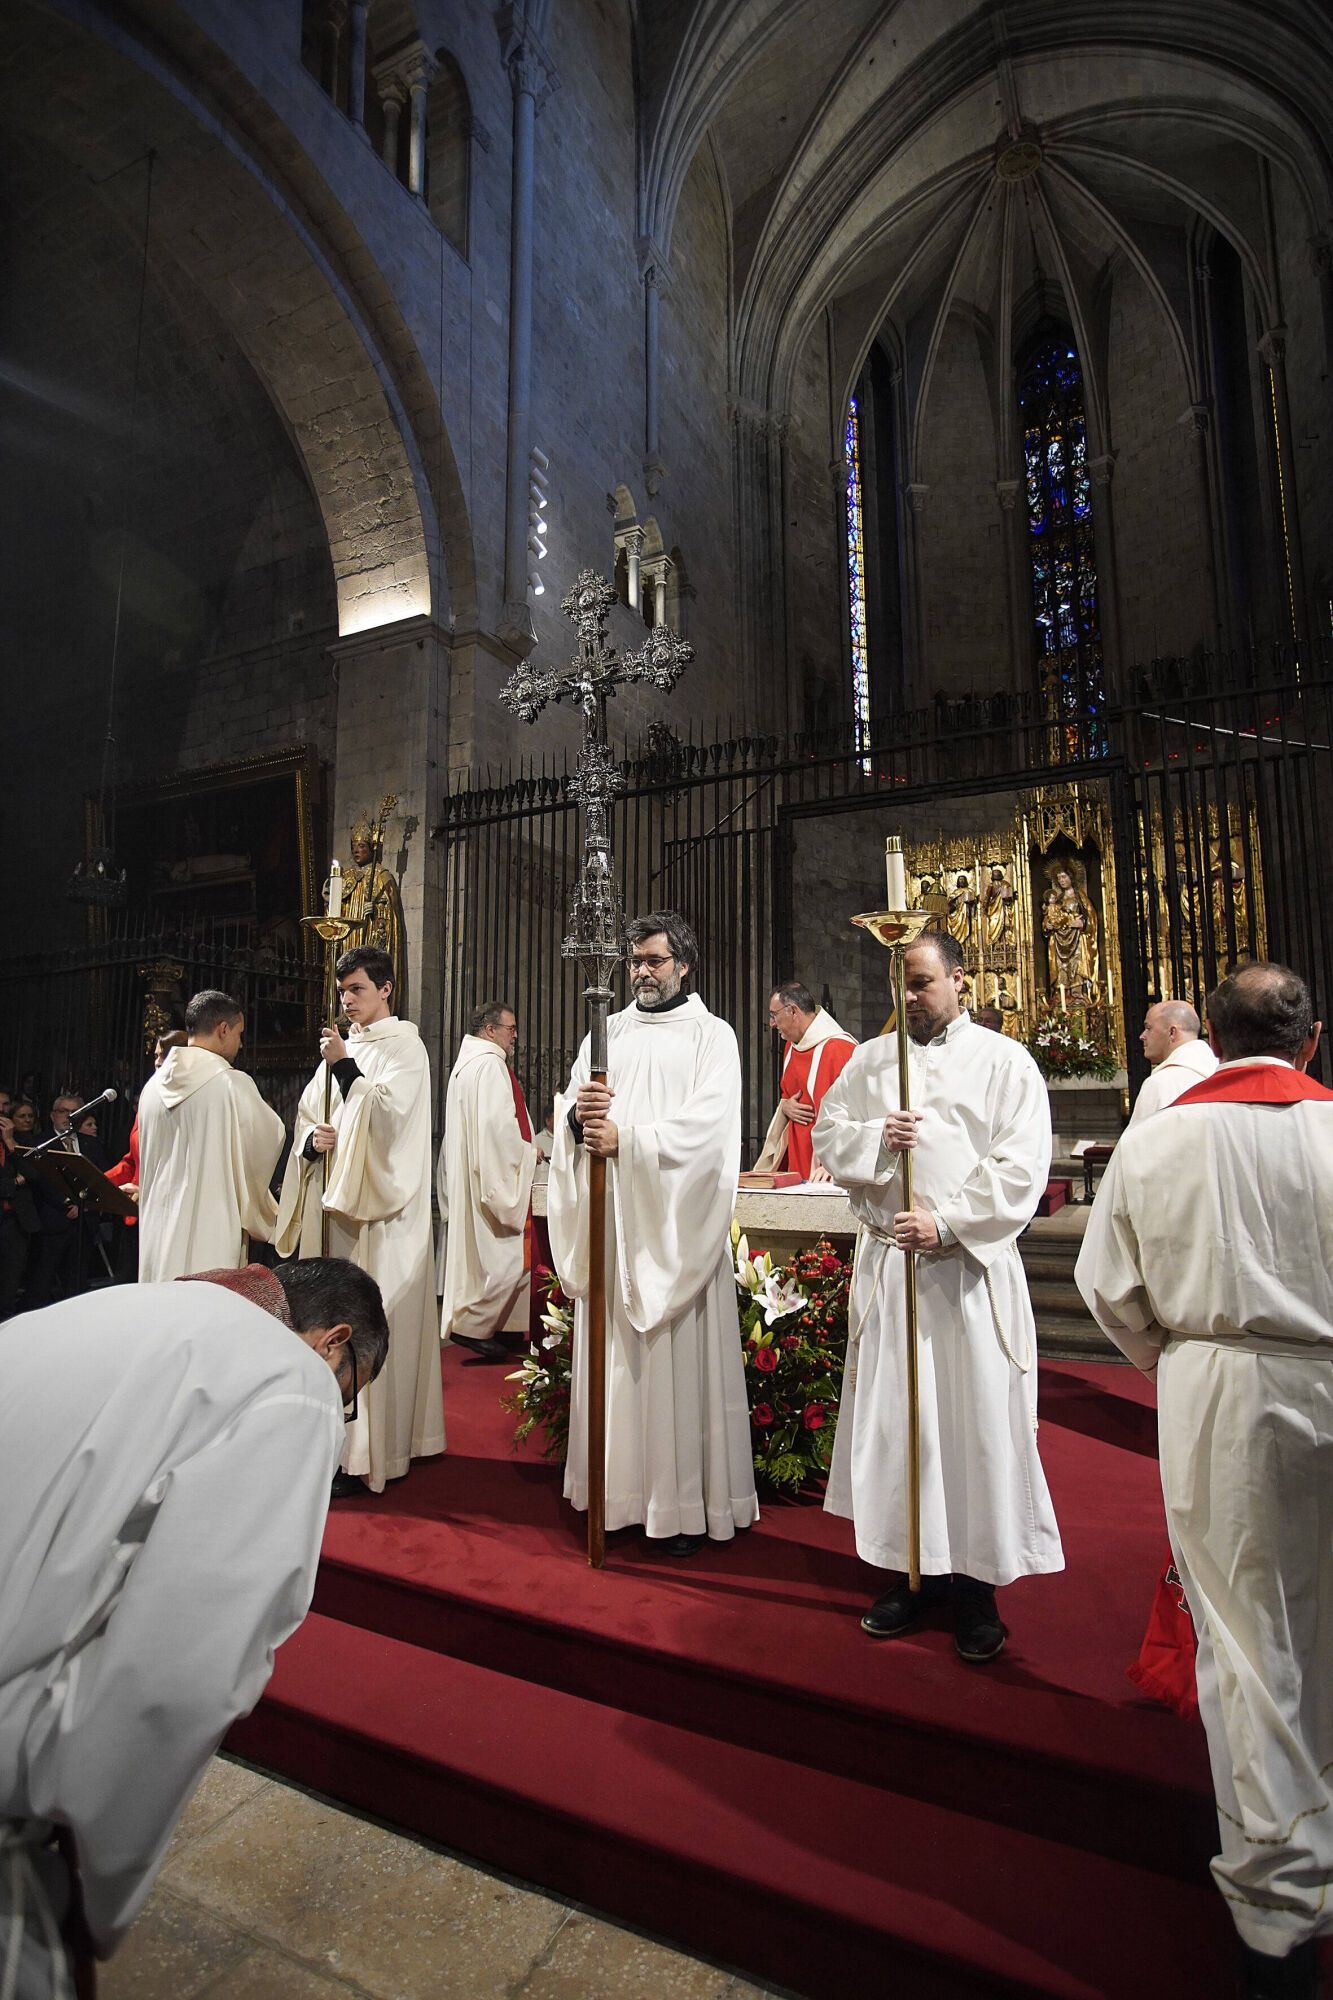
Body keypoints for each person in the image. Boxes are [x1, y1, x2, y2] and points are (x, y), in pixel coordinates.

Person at [0, 1255, 389, 2000]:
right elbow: (180, 1673)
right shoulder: (291, 1379)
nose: (338, 1415)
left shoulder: (96, 1307)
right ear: (333, 1342)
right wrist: (101, 1884)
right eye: (351, 1398)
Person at [1075, 963, 1332, 2000]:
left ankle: (1277, 1913)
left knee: (1244, 1633)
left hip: (1218, 1384)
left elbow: (1107, 1285)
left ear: (1210, 1042)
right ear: (1309, 1041)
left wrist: (1176, 1358)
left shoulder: (1160, 1136)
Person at [812, 927, 1063, 1660]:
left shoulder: (1002, 1061)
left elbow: (1020, 1165)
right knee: (903, 1423)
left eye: (921, 981)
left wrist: (948, 1223)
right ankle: (910, 1572)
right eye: (901, 984)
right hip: (893, 1272)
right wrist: (876, 1143)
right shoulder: (867, 1061)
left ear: (959, 980)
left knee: (971, 1422)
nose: (910, 997)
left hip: (965, 1275)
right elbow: (830, 1137)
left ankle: (977, 1589)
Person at [548, 911, 758, 1556]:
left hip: (672, 1232)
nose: (640, 971)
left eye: (654, 961)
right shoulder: (605, 1032)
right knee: (618, 1367)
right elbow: (572, 1105)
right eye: (634, 960)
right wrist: (575, 1121)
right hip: (615, 1230)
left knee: (676, 1371)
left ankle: (681, 1505)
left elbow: (708, 1132)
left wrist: (629, 1142)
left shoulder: (711, 1037)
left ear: (684, 964)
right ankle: (617, 1496)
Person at [276, 945, 445, 1497]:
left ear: (386, 989)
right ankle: (337, 1447)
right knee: (333, 1325)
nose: (348, 1000)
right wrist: (313, 1142)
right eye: (344, 991)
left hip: (385, 1220)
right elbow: (310, 1115)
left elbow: (392, 1121)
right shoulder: (343, 1050)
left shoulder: (405, 1047)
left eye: (359, 990)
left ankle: (378, 1451)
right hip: (339, 1214)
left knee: (373, 1324)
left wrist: (345, 1065)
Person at [136, 992, 285, 1283]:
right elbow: (268, 1144)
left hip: (158, 1230)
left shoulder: (151, 1088)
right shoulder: (231, 1084)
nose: (240, 1044)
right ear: (223, 1029)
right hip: (211, 1227)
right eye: (239, 1034)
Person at [441, 1000, 540, 1363]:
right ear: (489, 1030)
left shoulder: (465, 1067)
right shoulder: (489, 1066)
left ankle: (503, 1329)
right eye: (509, 1028)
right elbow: (497, 1130)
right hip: (493, 1178)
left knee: (491, 1260)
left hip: (472, 1173)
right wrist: (528, 1154)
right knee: (510, 1258)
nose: (515, 1035)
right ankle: (472, 1324)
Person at [754, 982, 857, 1182]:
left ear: (793, 1011)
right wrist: (786, 1107)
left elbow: (855, 1112)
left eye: (774, 1015)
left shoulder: (839, 1048)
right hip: (797, 1157)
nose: (771, 1023)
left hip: (826, 1169)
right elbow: (788, 1095)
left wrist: (836, 1163)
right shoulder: (792, 1047)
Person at [23, 1095, 110, 1310]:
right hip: (53, 1219)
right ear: (52, 1115)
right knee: (41, 1280)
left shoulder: (93, 1143)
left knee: (77, 1281)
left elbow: (103, 1176)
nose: (67, 1116)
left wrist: (84, 1205)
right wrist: (67, 1203)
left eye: (74, 1112)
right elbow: (41, 1179)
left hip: (84, 1221)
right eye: (62, 1111)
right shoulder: (39, 1143)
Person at [106, 1028, 189, 1206]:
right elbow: (131, 1162)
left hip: (166, 1210)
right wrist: (98, 1185)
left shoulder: (190, 1104)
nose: (158, 1063)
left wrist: (149, 1195)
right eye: (156, 1056)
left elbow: (182, 1170)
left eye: (164, 1057)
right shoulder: (149, 1100)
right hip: (132, 1211)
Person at [1125, 998, 1218, 1126]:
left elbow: (1135, 1144)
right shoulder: (1218, 1072)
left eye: (1148, 1028)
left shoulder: (1160, 1084)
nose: (1142, 1036)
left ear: (1172, 1032)